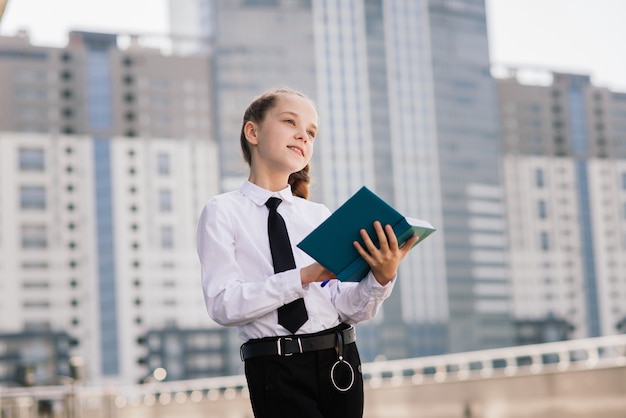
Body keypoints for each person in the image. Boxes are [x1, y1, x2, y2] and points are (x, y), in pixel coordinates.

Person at [196, 86, 419, 418]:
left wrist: (382, 277)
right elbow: (223, 305)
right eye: (290, 122)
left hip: (340, 362)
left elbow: (346, 306)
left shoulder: (318, 215)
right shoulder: (223, 211)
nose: (303, 135)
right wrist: (305, 276)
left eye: (311, 133)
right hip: (276, 368)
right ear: (252, 131)